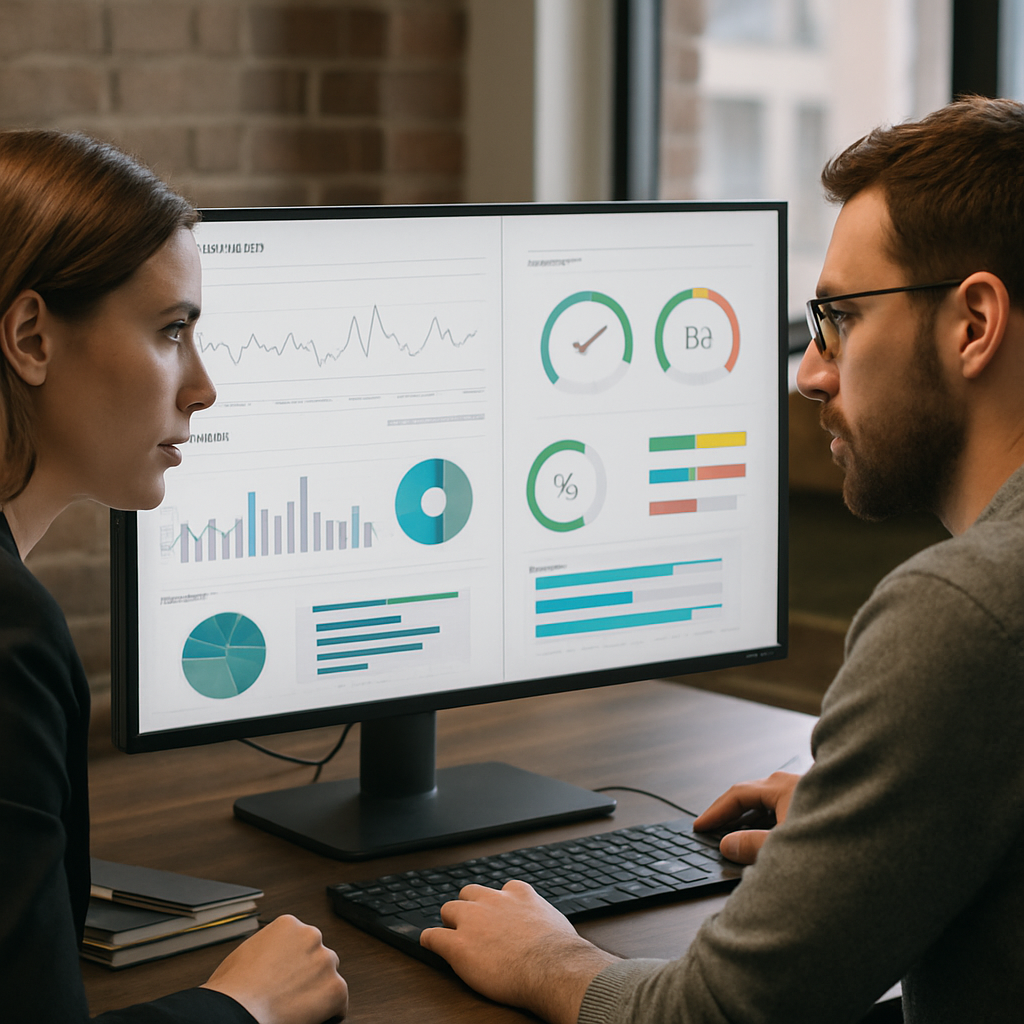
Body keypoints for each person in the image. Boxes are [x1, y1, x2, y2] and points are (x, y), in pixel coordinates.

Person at [420, 96, 1024, 1022]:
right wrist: (865, 818)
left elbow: (721, 1014)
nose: (810, 372)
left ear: (974, 323)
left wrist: (550, 958)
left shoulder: (965, 611)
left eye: (840, 319)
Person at [0, 130, 350, 1023]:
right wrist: (242, 1006)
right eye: (171, 332)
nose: (202, 388)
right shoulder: (10, 637)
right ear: (32, 337)